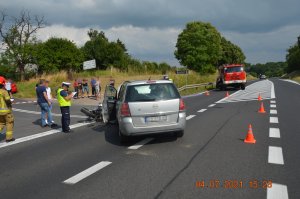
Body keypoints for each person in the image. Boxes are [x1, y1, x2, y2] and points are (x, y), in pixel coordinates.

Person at [0, 76, 15, 142]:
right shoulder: (4, 91)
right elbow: (8, 100)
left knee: (1, 123)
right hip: (6, 111)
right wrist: (10, 94)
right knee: (10, 123)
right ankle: (9, 138)